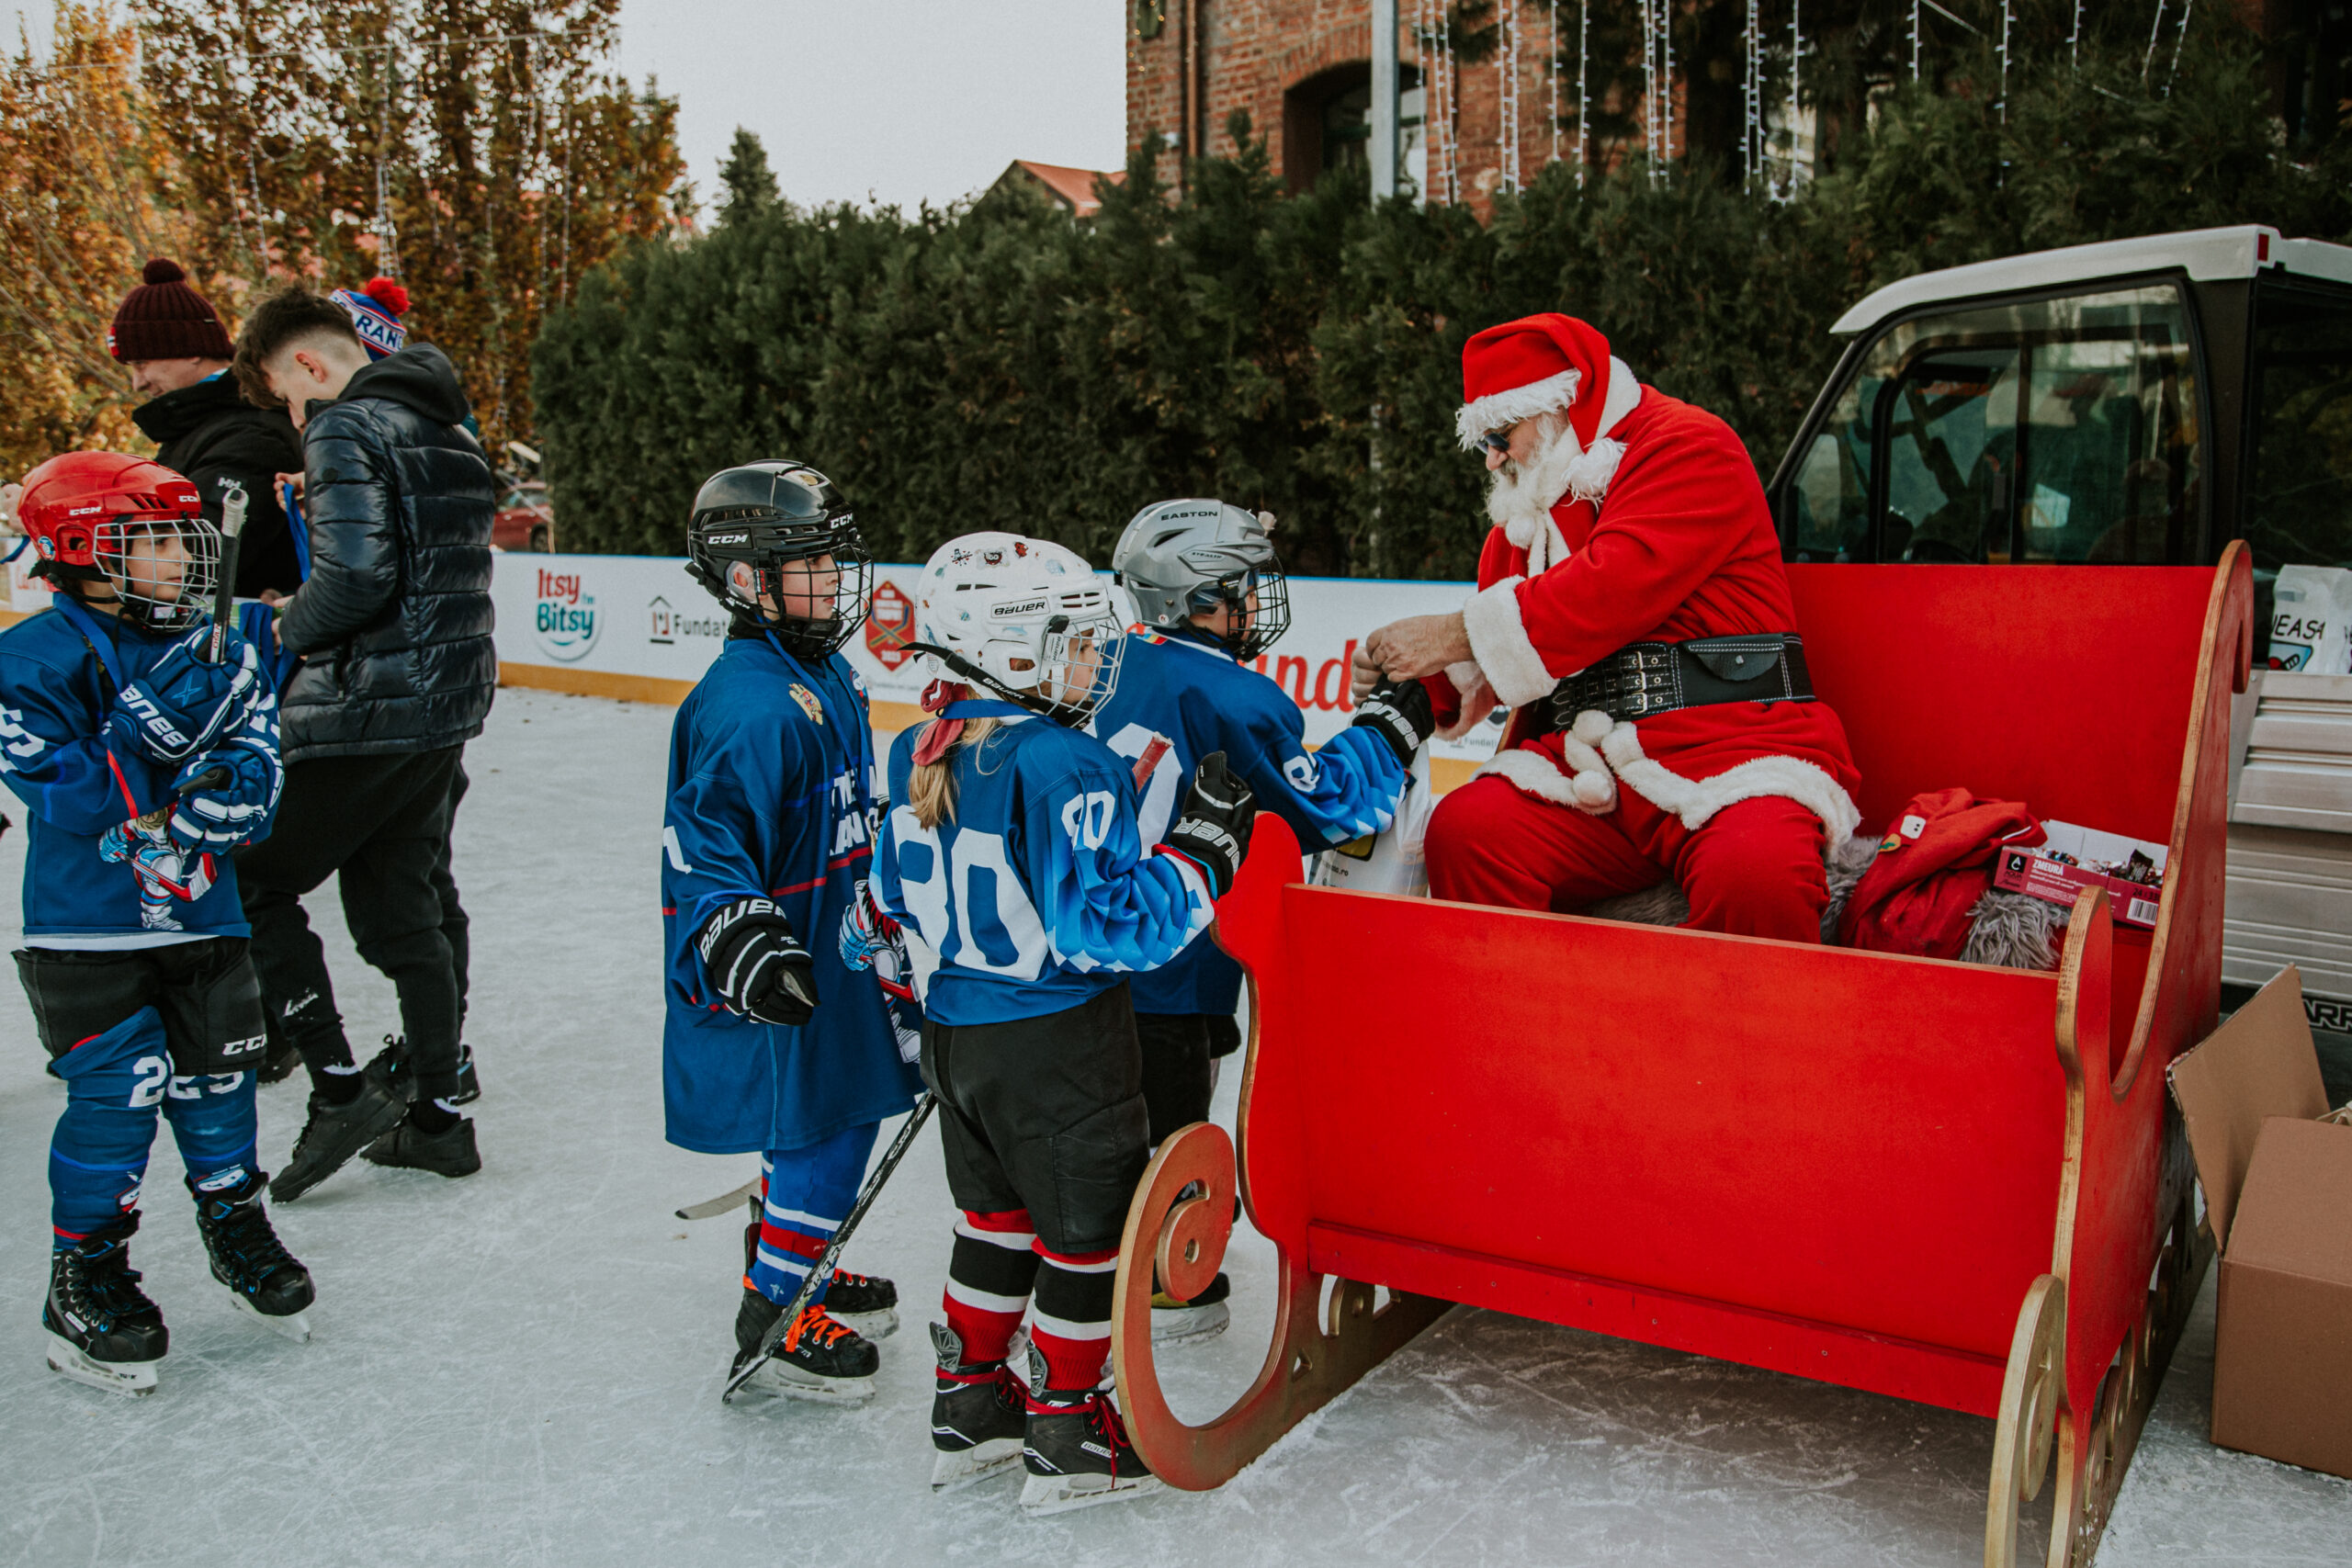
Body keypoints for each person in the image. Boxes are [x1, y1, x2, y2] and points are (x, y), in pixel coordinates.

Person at [866, 532, 1255, 1514]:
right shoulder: (1066, 763)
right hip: (1060, 1046)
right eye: (1071, 643)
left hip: (962, 1040)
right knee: (1087, 1240)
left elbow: (875, 922)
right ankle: (1069, 1427)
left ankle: (971, 1408)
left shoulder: (919, 745)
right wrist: (1203, 850)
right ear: (1003, 650)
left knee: (993, 1224)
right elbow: (1111, 932)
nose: (1094, 662)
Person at [1353, 312, 1861, 935]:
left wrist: (1450, 633)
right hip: (1590, 770)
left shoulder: (1688, 445)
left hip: (1733, 749)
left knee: (1755, 873)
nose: (1493, 461)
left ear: (1559, 405)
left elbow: (1607, 588)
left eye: (1501, 435)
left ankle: (1750, 1035)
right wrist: (1402, 676)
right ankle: (1515, 1030)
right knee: (1469, 832)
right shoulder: (1524, 522)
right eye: (1483, 443)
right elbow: (1489, 656)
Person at [3, 452, 311, 1396]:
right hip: (87, 929)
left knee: (220, 1079)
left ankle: (232, 1216)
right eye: (157, 540)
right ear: (86, 550)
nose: (183, 555)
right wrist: (147, 738)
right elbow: (66, 789)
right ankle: (85, 1272)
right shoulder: (28, 660)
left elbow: (256, 726)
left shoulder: (206, 639)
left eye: (184, 535)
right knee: (120, 1092)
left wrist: (247, 781)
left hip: (201, 915)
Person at [1091, 499, 1432, 1343]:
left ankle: (1102, 1251)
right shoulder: (1234, 691)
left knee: (1109, 1104)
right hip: (1176, 947)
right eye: (1240, 586)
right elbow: (1322, 805)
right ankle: (1171, 1277)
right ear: (1195, 596)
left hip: (1094, 937)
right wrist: (1390, 728)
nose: (1254, 602)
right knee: (1173, 1105)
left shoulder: (1104, 661)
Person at [226, 286, 496, 1200]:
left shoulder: (345, 427)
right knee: (401, 910)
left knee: (246, 876)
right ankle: (437, 1121)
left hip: (366, 709)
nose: (293, 421)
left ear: (309, 363)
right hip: (441, 711)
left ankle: (338, 1087)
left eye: (285, 399)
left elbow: (354, 585)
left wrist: (282, 624)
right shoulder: (448, 429)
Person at [659, 460, 918, 1404]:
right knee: (826, 1124)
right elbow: (705, 841)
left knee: (832, 1111)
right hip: (789, 960)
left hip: (840, 943)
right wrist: (743, 935)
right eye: (809, 562)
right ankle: (772, 1303)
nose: (833, 582)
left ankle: (794, 1246)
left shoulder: (819, 671)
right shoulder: (752, 705)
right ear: (744, 579)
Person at [112, 259, 305, 597]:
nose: (137, 382)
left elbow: (199, 553)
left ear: (189, 349)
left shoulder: (251, 432)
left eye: (142, 363)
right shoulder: (202, 425)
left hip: (240, 641)